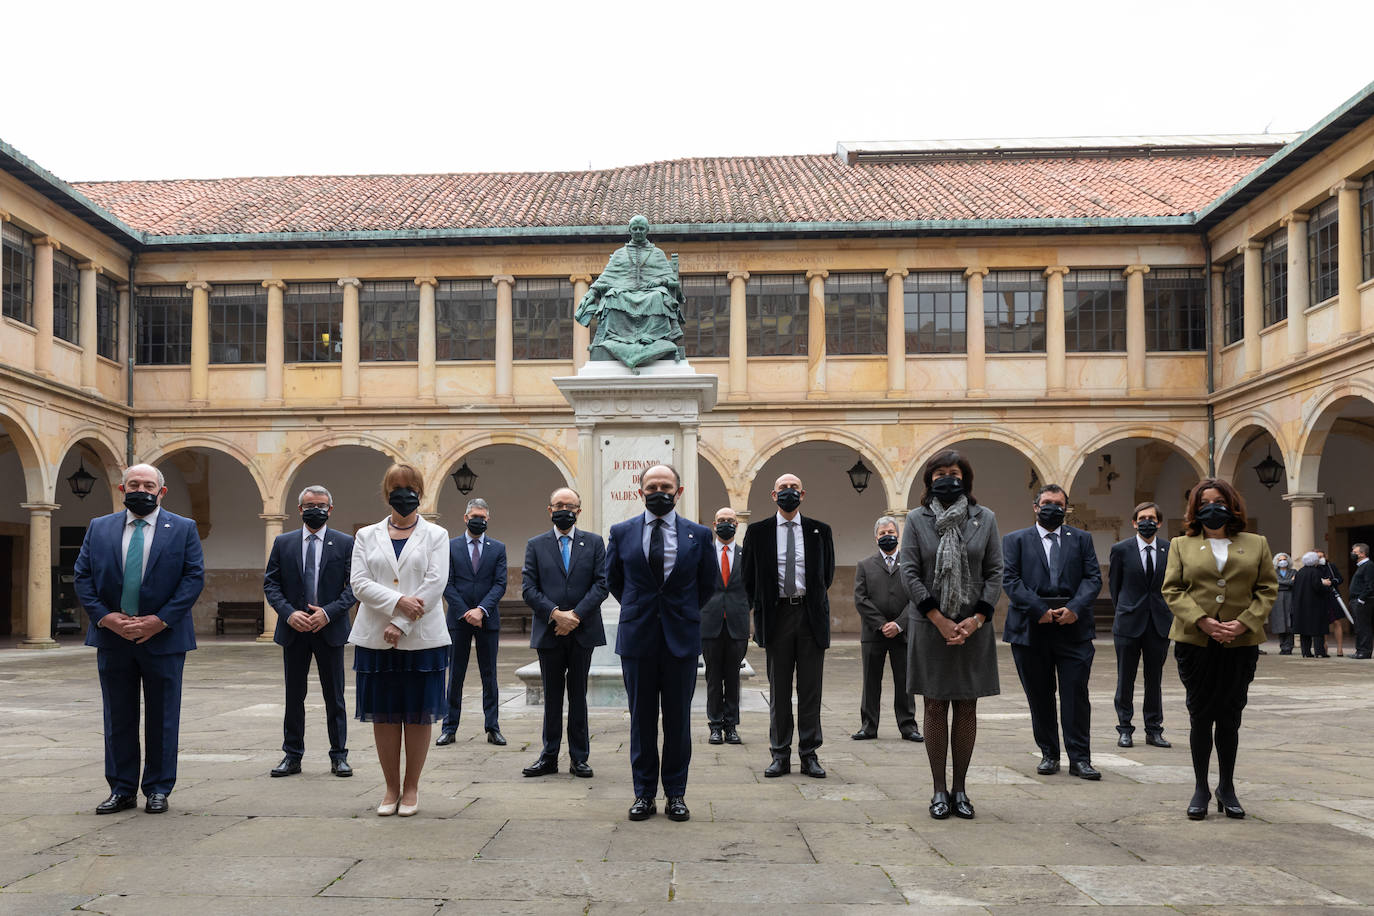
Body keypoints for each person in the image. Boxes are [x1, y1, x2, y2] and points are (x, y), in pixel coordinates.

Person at [74, 463, 204, 815]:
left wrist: (158, 621)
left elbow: (193, 578)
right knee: (118, 716)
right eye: (134, 484)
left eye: (149, 485)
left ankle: (158, 788)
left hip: (164, 638)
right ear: (122, 489)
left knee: (163, 716)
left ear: (161, 492)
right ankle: (121, 788)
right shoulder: (99, 528)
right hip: (112, 637)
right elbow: (82, 576)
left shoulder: (183, 528)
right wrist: (105, 617)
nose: (141, 490)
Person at [1161, 477, 1276, 819]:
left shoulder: (1256, 543)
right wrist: (1203, 621)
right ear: (1195, 509)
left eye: (1220, 501)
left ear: (1232, 505)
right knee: (1200, 715)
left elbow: (1267, 588)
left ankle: (1227, 786)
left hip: (1240, 642)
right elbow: (1173, 590)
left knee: (1230, 715)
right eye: (1205, 502)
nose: (1213, 507)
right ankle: (1200, 787)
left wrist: (1243, 622)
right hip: (1196, 642)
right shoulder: (1181, 544)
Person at [607, 464, 716, 822]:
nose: (659, 491)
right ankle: (643, 794)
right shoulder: (621, 532)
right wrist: (642, 610)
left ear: (678, 492)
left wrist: (679, 612)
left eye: (665, 486)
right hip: (637, 638)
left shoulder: (698, 535)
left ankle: (676, 794)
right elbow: (615, 581)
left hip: (680, 639)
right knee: (641, 721)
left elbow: (707, 585)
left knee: (678, 721)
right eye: (651, 485)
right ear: (641, 491)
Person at [899, 451, 1002, 820]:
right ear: (929, 480)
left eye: (954, 473)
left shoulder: (984, 518)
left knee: (967, 706)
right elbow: (909, 572)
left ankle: (961, 788)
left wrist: (975, 620)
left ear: (965, 479)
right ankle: (938, 789)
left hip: (973, 628)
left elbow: (995, 572)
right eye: (940, 473)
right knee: (935, 705)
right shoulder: (916, 518)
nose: (947, 479)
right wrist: (939, 619)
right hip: (931, 626)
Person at [348, 463, 450, 817]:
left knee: (418, 715)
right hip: (376, 638)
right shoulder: (366, 535)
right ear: (386, 493)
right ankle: (390, 788)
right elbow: (359, 583)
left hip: (422, 638)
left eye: (410, 486)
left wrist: (402, 623)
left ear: (420, 492)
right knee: (386, 715)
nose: (403, 493)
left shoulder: (437, 536)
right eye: (396, 487)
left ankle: (411, 788)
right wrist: (397, 603)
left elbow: (435, 585)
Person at [1002, 484, 1103, 780]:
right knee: (1040, 695)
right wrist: (1038, 610)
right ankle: (1049, 753)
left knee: (1075, 694)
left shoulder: (1082, 539)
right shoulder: (1015, 540)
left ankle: (1080, 759)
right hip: (1031, 630)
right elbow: (1011, 580)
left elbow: (1093, 578)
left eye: (1059, 504)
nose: (1052, 508)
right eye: (1046, 503)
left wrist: (1075, 608)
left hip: (1073, 628)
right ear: (1035, 507)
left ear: (1066, 509)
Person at [742, 473, 836, 780]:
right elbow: (748, 577)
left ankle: (809, 754)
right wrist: (761, 607)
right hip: (777, 616)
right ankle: (779, 754)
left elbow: (827, 574)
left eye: (794, 488)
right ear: (773, 495)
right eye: (783, 488)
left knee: (811, 691)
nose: (788, 492)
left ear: (803, 494)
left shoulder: (820, 530)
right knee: (779, 690)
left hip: (809, 616)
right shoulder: (758, 532)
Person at [263, 485, 356, 778]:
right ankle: (292, 756)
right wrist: (289, 614)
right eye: (309, 505)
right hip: (295, 631)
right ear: (300, 509)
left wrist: (328, 613)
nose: (315, 509)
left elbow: (354, 587)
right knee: (294, 696)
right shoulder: (283, 542)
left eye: (321, 505)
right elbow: (271, 584)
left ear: (330, 509)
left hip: (329, 629)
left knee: (335, 695)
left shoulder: (345, 543)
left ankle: (338, 755)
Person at [520, 486, 608, 778]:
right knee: (552, 696)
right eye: (558, 505)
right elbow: (529, 588)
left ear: (579, 511)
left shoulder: (594, 543)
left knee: (579, 695)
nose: (564, 510)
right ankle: (549, 756)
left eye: (570, 506)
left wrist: (576, 615)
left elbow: (601, 584)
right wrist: (556, 614)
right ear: (549, 510)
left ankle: (579, 757)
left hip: (582, 631)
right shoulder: (536, 544)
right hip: (550, 631)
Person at [436, 497, 507, 748]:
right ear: (466, 518)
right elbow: (447, 582)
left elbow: (500, 584)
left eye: (483, 518)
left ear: (488, 519)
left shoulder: (498, 548)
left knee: (490, 675)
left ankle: (492, 727)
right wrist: (466, 611)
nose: (479, 521)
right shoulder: (450, 547)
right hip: (458, 619)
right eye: (475, 517)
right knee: (455, 674)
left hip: (487, 620)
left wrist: (481, 610)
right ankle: (449, 727)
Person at [574, 215, 686, 368]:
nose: (638, 232)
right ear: (630, 231)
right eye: (635, 229)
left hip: (650, 293)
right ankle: (618, 339)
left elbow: (671, 278)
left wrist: (661, 281)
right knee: (612, 297)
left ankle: (652, 336)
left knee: (659, 296)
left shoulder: (657, 253)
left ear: (647, 230)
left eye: (641, 229)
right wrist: (591, 293)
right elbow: (606, 277)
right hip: (624, 293)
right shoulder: (620, 254)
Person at [1107, 502, 1172, 749]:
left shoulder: (1169, 549)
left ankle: (1154, 729)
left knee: (1154, 679)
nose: (1147, 522)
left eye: (1152, 518)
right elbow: (1114, 586)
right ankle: (1124, 728)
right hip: (1128, 623)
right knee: (1126, 678)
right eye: (1142, 518)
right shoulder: (1121, 549)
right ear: (1134, 522)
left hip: (1159, 623)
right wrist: (1125, 609)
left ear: (1159, 522)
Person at [853, 516, 921, 743]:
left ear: (898, 535)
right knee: (871, 681)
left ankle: (908, 726)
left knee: (905, 681)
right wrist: (882, 625)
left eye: (891, 532)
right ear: (876, 537)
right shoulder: (865, 565)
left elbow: (916, 598)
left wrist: (900, 624)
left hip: (903, 633)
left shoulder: (910, 564)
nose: (887, 536)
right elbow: (860, 599)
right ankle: (868, 726)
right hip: (874, 634)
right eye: (883, 533)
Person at [701, 506, 749, 746]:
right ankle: (715, 726)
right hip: (709, 624)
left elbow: (752, 588)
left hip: (737, 624)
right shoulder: (705, 554)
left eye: (730, 520)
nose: (726, 524)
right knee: (713, 677)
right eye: (721, 520)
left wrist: (743, 610)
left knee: (733, 677)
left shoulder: (745, 555)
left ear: (737, 525)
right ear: (714, 524)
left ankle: (731, 726)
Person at [1290, 552, 1333, 658]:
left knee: (1304, 631)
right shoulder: (1315, 572)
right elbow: (1317, 587)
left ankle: (1306, 652)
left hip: (1301, 606)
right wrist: (1327, 587)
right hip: (1314, 606)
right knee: (1318, 630)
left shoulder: (1300, 572)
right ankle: (1320, 652)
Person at [1316, 551, 1345, 656]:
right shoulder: (1314, 568)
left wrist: (1331, 582)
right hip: (1320, 597)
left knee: (1337, 622)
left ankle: (1340, 648)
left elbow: (1340, 579)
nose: (1320, 558)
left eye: (1322, 556)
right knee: (1323, 623)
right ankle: (1324, 646)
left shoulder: (1331, 566)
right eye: (1318, 557)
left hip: (1332, 597)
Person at [1269, 553, 1296, 655]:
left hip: (1290, 598)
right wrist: (1288, 582)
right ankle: (1282, 647)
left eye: (1284, 559)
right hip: (1277, 599)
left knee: (1289, 623)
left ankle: (1289, 647)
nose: (1282, 561)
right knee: (1279, 624)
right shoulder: (1273, 572)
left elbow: (1294, 583)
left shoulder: (1293, 571)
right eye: (1280, 560)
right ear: (1277, 562)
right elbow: (1275, 583)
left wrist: (1282, 583)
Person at [1350, 543, 1372, 659]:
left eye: (1355, 552)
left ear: (1362, 554)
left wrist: (1361, 599)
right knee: (1358, 626)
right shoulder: (1361, 566)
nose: (1353, 554)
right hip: (1356, 601)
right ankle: (1359, 650)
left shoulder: (1368, 565)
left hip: (1362, 602)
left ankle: (1365, 651)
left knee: (1363, 626)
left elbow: (1370, 585)